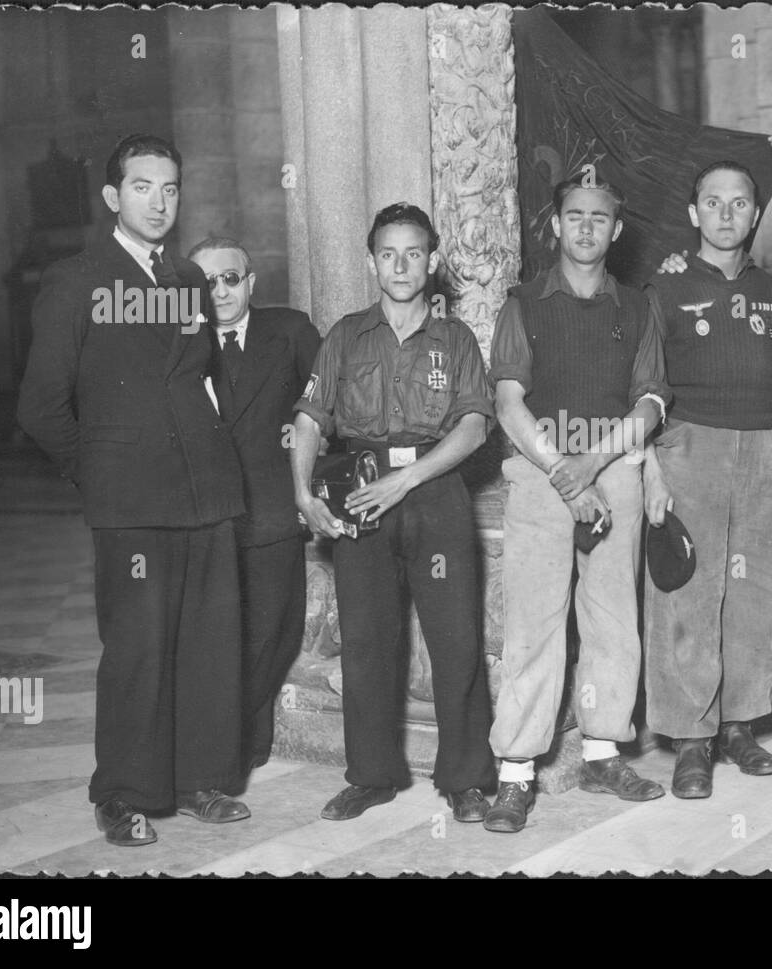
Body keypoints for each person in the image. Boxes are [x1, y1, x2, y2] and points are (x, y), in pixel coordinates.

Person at [18, 133, 249, 847]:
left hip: (206, 491)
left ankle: (201, 778)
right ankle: (121, 791)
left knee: (210, 642)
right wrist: (100, 474)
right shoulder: (76, 281)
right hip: (130, 502)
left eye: (171, 188)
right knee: (137, 647)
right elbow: (40, 406)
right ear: (113, 196)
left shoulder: (186, 280)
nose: (159, 201)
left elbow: (198, 378)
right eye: (143, 186)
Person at [291, 203, 496, 822]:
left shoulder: (454, 338)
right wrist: (302, 492)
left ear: (432, 261)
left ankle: (464, 778)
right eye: (388, 253)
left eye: (413, 253)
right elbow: (309, 418)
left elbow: (475, 427)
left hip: (433, 490)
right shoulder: (345, 335)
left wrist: (407, 479)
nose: (401, 265)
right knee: (367, 640)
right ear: (372, 261)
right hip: (361, 489)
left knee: (456, 639)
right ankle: (372, 774)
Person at [485, 174, 669, 833]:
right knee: (534, 619)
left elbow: (650, 401)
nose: (587, 227)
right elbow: (509, 401)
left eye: (601, 217)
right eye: (575, 215)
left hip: (612, 464)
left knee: (614, 613)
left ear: (616, 230)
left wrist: (593, 463)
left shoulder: (638, 307)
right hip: (540, 470)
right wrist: (564, 470)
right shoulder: (525, 303)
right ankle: (515, 771)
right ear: (555, 225)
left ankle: (601, 750)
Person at [640, 161, 772, 798]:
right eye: (713, 202)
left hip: (763, 444)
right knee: (687, 591)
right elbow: (643, 384)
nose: (726, 214)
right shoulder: (663, 289)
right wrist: (649, 464)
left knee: (755, 590)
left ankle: (740, 725)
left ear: (755, 214)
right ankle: (690, 738)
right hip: (690, 443)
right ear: (694, 214)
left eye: (739, 203)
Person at [189, 237, 320, 773]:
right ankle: (221, 743)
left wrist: (309, 486)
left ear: (250, 283)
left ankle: (241, 737)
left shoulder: (289, 332)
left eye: (230, 278)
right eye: (206, 282)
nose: (219, 290)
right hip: (203, 516)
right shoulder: (175, 343)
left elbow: (328, 409)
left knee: (274, 629)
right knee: (213, 636)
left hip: (271, 509)